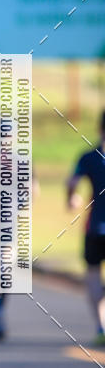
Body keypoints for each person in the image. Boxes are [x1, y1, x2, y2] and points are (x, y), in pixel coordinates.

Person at [67, 110, 105, 345]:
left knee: (93, 277)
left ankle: (101, 326)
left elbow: (72, 183)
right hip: (95, 228)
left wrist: (72, 198)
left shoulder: (89, 157)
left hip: (95, 227)